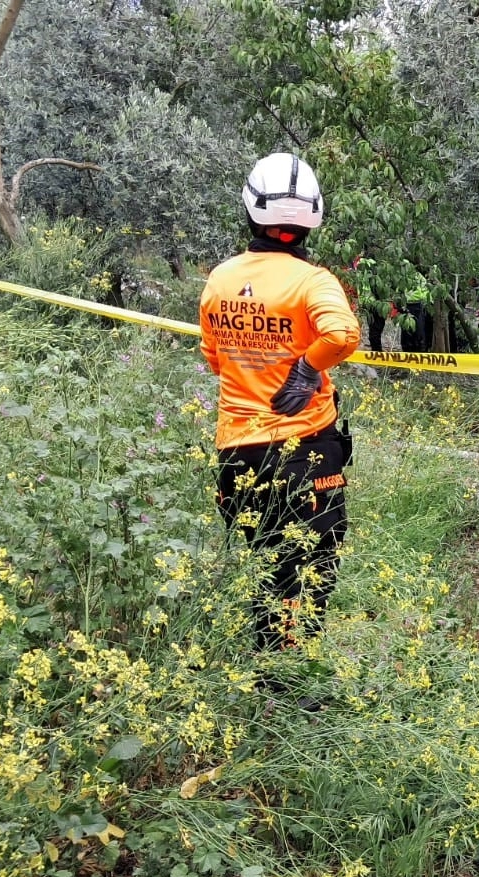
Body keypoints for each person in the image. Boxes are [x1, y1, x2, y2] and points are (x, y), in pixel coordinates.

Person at [200, 152, 361, 653]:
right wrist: (307, 368)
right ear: (312, 218)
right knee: (308, 569)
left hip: (236, 452)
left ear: (251, 209)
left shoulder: (220, 279)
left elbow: (215, 360)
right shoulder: (313, 281)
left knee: (267, 562)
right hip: (303, 451)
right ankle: (287, 675)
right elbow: (342, 334)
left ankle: (269, 660)